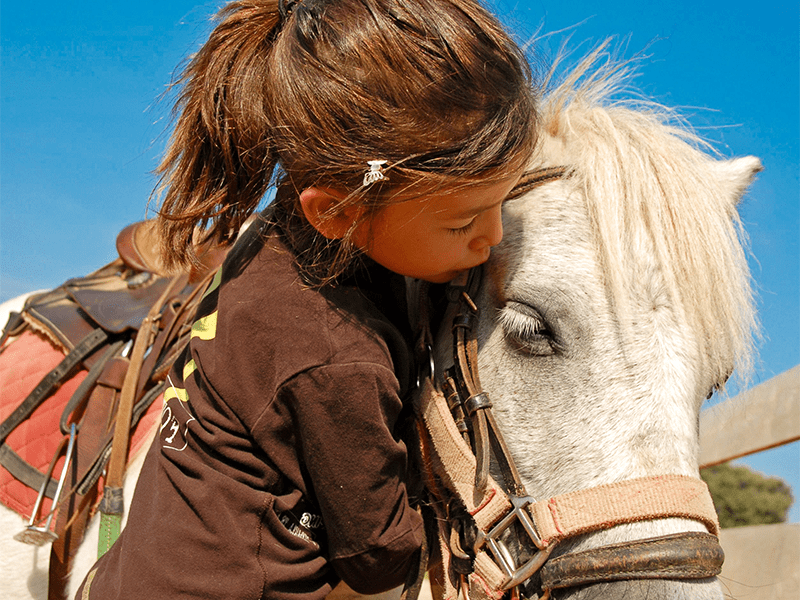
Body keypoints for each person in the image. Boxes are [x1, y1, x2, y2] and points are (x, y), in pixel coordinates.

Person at [74, 0, 538, 598]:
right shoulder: (336, 355)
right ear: (338, 211)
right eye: (463, 222)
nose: (493, 237)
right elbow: (378, 556)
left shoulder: (269, 240)